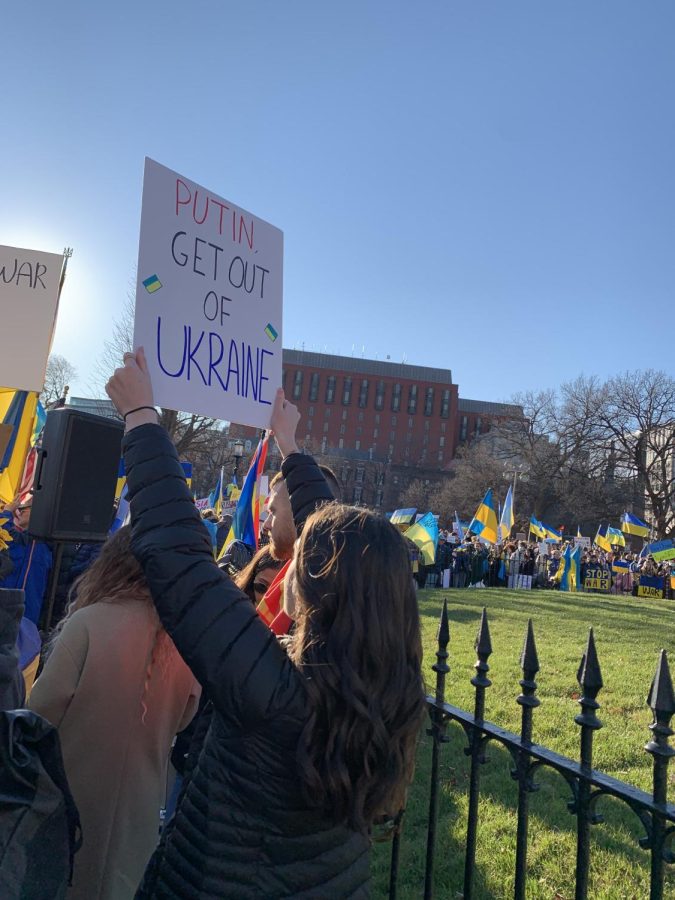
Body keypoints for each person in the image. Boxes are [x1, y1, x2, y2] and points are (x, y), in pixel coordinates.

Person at [105, 348, 426, 899]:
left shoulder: (275, 694)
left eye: (305, 566)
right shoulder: (388, 694)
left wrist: (140, 419)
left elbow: (182, 562)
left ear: (324, 593)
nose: (294, 572)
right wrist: (292, 448)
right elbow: (343, 549)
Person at [28, 526, 201, 900]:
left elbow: (40, 713)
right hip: (140, 806)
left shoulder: (88, 623)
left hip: (69, 798)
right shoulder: (184, 636)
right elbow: (186, 717)